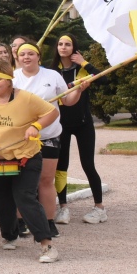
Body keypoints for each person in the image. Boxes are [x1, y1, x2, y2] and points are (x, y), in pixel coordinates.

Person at [0, 60, 60, 263]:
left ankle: (47, 245)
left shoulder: (26, 98)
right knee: (0, 203)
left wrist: (36, 126)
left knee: (24, 198)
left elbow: (52, 112)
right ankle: (10, 235)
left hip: (26, 157)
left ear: (10, 80)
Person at [13, 40, 86, 238]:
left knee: (46, 179)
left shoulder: (52, 76)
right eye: (23, 55)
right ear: (17, 58)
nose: (26, 57)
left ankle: (48, 221)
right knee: (23, 181)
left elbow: (67, 100)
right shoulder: (12, 78)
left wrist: (78, 89)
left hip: (49, 135)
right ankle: (21, 221)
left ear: (38, 56)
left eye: (31, 54)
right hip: (23, 137)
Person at [49, 34, 106, 225]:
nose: (63, 47)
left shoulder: (82, 70)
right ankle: (63, 208)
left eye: (67, 44)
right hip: (60, 125)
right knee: (61, 166)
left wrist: (85, 62)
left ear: (74, 48)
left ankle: (99, 208)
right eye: (60, 44)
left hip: (83, 123)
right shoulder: (52, 71)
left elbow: (104, 81)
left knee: (88, 164)